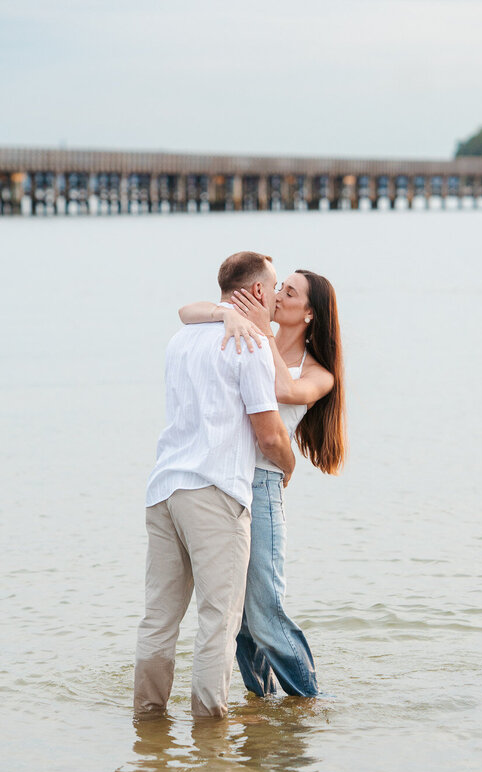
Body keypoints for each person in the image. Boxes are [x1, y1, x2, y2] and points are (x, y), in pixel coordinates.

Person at [135, 251, 296, 719]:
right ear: (260, 292)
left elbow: (188, 312)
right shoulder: (250, 342)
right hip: (215, 492)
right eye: (275, 286)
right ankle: (210, 731)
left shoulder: (181, 338)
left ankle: (147, 719)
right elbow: (268, 434)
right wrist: (288, 465)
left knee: (159, 617)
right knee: (218, 620)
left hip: (164, 490)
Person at [178, 268, 345, 698]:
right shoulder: (252, 333)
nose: (276, 295)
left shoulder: (319, 372)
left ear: (309, 313)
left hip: (263, 486)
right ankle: (264, 701)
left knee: (265, 613)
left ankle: (309, 700)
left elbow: (283, 390)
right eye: (280, 287)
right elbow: (186, 311)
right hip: (225, 481)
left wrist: (256, 330)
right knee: (239, 621)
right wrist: (226, 314)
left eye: (289, 293)